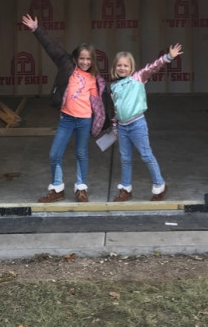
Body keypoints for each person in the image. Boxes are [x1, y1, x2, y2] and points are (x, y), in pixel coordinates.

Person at [21, 14, 109, 203]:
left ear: (93, 61)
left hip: (84, 120)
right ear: (75, 58)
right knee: (54, 153)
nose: (85, 62)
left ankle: (81, 188)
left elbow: (101, 106)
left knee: (81, 153)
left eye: (89, 59)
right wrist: (37, 29)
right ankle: (57, 187)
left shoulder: (95, 79)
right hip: (67, 119)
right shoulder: (67, 66)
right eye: (82, 58)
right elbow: (52, 48)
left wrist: (111, 125)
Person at [110, 43, 183, 203]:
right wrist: (115, 127)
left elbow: (153, 68)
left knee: (146, 154)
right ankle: (125, 189)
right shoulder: (114, 86)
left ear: (131, 67)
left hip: (137, 124)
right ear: (115, 67)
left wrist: (168, 57)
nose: (122, 68)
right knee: (125, 158)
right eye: (119, 65)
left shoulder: (138, 78)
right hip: (122, 128)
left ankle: (160, 184)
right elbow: (116, 109)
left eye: (125, 65)